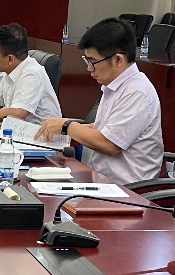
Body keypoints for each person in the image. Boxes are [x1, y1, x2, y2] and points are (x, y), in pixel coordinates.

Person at [35, 17, 164, 183]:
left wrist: (67, 126)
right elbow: (104, 128)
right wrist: (61, 128)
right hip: (101, 179)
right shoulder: (116, 85)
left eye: (93, 62)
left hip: (127, 189)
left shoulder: (137, 92)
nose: (89, 68)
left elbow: (109, 144)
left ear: (118, 59)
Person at [0, 22, 62, 124]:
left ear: (10, 59)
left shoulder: (31, 74)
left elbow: (17, 113)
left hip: (39, 132)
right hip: (18, 128)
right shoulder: (12, 69)